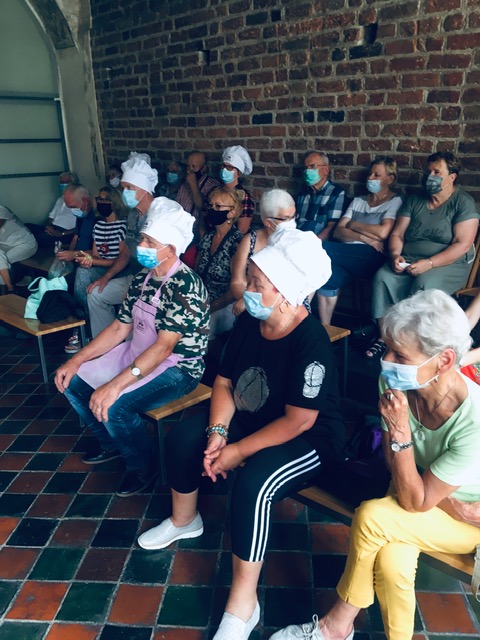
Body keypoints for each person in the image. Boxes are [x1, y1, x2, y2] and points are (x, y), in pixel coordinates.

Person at [137, 228, 345, 640]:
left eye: (256, 284)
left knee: (254, 483)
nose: (246, 290)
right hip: (254, 416)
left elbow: (299, 420)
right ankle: (184, 520)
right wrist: (218, 433)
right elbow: (224, 383)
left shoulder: (311, 342)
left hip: (310, 437)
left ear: (285, 294)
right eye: (249, 278)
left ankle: (243, 605)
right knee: (184, 437)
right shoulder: (251, 322)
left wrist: (237, 451)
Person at [271, 289, 480, 640]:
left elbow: (414, 497)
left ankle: (336, 624)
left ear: (444, 360)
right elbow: (396, 469)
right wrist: (421, 484)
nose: (387, 361)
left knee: (371, 517)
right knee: (392, 561)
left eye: (401, 354)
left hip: (469, 521)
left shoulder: (473, 421)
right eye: (388, 349)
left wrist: (400, 434)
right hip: (422, 496)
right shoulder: (394, 383)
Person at [54, 200, 210, 498]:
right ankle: (113, 443)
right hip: (137, 353)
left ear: (171, 249)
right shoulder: (143, 278)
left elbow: (163, 348)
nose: (141, 246)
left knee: (116, 405)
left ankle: (142, 465)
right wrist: (76, 360)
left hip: (177, 368)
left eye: (149, 242)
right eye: (142, 239)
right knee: (74, 382)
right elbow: (119, 328)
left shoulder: (185, 285)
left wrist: (115, 385)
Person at [368, 151, 480, 360]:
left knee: (424, 284)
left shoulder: (463, 202)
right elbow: (397, 234)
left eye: (437, 172)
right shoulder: (415, 200)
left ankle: (416, 343)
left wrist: (429, 263)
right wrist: (395, 255)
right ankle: (387, 337)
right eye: (429, 171)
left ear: (452, 177)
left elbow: (463, 244)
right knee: (383, 277)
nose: (430, 176)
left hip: (447, 263)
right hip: (409, 258)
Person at [317, 157, 402, 324]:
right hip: (346, 255)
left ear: (390, 179)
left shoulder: (395, 201)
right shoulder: (358, 201)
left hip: (372, 256)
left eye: (377, 175)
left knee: (318, 248)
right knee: (327, 275)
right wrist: (365, 238)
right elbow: (338, 232)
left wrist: (352, 224)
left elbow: (383, 233)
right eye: (370, 174)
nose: (370, 178)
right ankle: (325, 329)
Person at [62, 186, 130, 352]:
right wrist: (83, 258)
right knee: (81, 272)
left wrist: (93, 261)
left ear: (115, 202)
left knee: (84, 275)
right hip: (101, 267)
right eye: (99, 199)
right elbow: (96, 254)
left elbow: (120, 260)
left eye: (106, 199)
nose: (102, 202)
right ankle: (83, 323)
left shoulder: (123, 225)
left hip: (119, 271)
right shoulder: (99, 225)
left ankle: (85, 328)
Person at [230, 189, 296, 316]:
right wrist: (249, 300)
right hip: (252, 306)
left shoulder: (296, 241)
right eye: (285, 219)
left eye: (293, 217)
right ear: (267, 221)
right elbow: (237, 282)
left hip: (286, 307)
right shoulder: (249, 241)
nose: (291, 223)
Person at [196, 187, 243, 340]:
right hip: (200, 300)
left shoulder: (237, 242)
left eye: (218, 206)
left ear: (232, 212)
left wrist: (210, 307)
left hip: (224, 304)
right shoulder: (208, 238)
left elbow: (234, 291)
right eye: (211, 206)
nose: (212, 210)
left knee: (200, 330)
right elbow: (196, 273)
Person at [296, 151, 347, 241]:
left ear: (325, 170)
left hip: (317, 243)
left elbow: (331, 227)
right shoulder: (302, 194)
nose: (307, 171)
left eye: (312, 166)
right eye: (306, 168)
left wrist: (313, 244)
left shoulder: (336, 193)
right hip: (296, 240)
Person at [120, 154, 159, 268]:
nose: (124, 192)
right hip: (133, 272)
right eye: (123, 188)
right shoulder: (132, 215)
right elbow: (127, 251)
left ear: (145, 189)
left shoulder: (158, 216)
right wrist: (107, 276)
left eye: (129, 188)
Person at [28, 171, 79, 249]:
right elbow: (50, 217)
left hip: (65, 233)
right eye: (62, 183)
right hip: (52, 228)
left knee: (41, 238)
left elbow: (81, 227)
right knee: (27, 227)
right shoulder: (60, 199)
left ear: (74, 183)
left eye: (66, 182)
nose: (64, 185)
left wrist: (61, 233)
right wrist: (47, 227)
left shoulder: (80, 200)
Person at [0, 205, 37, 294]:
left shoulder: (1, 210)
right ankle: (10, 287)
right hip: (5, 245)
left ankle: (6, 291)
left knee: (2, 261)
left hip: (25, 244)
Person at [175, 150, 220, 222]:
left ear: (204, 168)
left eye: (193, 166)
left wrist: (193, 184)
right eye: (188, 166)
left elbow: (203, 208)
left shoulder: (212, 186)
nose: (189, 170)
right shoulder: (184, 184)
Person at [219, 145, 255, 234]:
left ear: (239, 173)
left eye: (230, 167)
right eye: (223, 166)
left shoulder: (244, 198)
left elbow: (242, 230)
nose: (224, 170)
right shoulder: (215, 192)